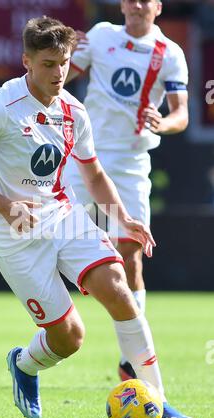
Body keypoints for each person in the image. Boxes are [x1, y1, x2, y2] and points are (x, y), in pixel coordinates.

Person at [0, 16, 194, 418]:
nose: (58, 73)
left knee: (119, 288)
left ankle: (158, 402)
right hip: (13, 235)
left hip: (63, 216)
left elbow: (92, 174)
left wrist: (123, 218)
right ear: (26, 62)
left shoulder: (74, 111)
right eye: (47, 64)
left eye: (64, 62)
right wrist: (5, 206)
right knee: (69, 339)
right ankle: (23, 363)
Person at [65, 0, 189, 381]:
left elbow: (181, 113)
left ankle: (129, 360)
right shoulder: (101, 36)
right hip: (84, 159)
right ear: (122, 5)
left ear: (157, 6)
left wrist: (163, 123)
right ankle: (49, 337)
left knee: (132, 257)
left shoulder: (170, 53)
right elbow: (63, 73)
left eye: (144, 0)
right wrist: (64, 48)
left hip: (132, 165)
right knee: (51, 239)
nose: (136, 5)